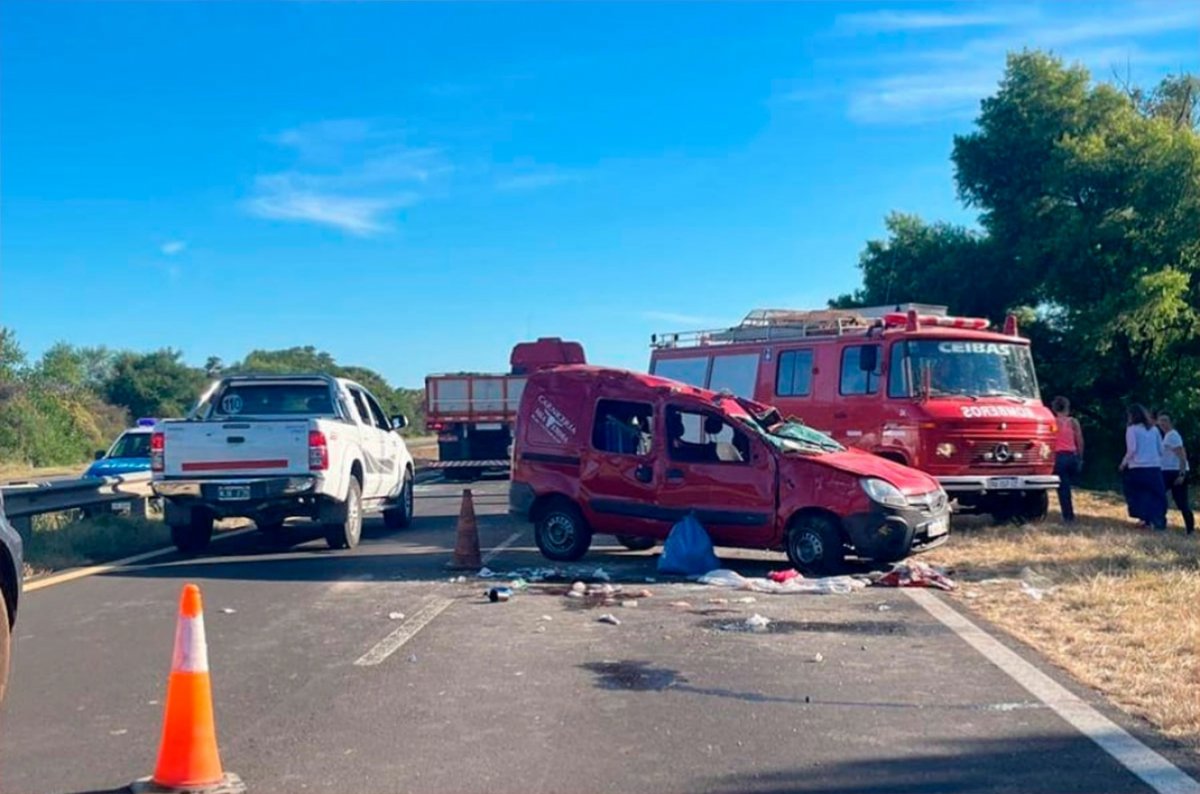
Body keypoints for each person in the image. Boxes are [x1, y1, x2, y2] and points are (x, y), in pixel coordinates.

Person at [1120, 404, 1167, 530]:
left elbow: (1132, 449)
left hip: (1138, 467)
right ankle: (1158, 521)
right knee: (1157, 495)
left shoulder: (1132, 429)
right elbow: (1161, 450)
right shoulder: (1154, 430)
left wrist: (1124, 463)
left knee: (1140, 495)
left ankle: (1145, 519)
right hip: (1154, 467)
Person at [1157, 412, 1194, 535]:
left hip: (1174, 471)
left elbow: (1182, 455)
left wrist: (1182, 474)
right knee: (1158, 495)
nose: (1162, 423)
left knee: (1181, 501)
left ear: (1170, 422)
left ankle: (1190, 528)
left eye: (1165, 420)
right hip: (1166, 471)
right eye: (1160, 421)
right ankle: (1158, 523)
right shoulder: (1167, 436)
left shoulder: (1173, 436)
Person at [1051, 396, 1084, 523]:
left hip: (1059, 457)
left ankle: (1068, 515)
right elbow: (1079, 440)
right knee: (1069, 484)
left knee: (1063, 488)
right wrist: (1080, 457)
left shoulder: (1053, 422)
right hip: (1071, 455)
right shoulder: (1073, 422)